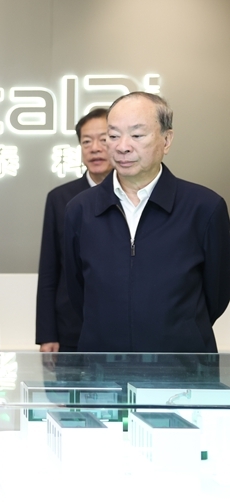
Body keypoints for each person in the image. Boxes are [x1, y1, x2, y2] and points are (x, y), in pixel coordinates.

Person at [64, 92, 230, 352]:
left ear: (166, 139)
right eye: (113, 136)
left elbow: (216, 294)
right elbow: (78, 293)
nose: (123, 146)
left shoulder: (205, 207)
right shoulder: (80, 209)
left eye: (137, 135)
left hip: (183, 364)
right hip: (103, 363)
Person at [36, 108, 110, 353]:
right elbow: (49, 270)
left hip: (120, 328)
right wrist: (47, 334)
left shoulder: (134, 196)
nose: (94, 148)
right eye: (86, 141)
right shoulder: (61, 198)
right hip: (71, 329)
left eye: (103, 139)